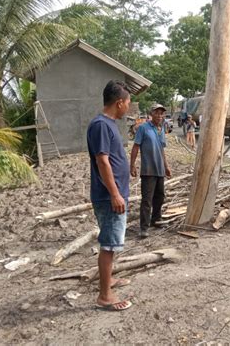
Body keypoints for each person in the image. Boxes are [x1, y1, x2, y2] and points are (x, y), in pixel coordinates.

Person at [86, 80, 132, 311]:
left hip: (115, 194)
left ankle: (109, 279)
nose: (129, 108)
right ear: (119, 102)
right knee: (109, 244)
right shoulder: (101, 125)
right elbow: (102, 161)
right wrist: (115, 194)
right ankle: (105, 295)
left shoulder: (109, 124)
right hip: (108, 196)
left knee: (113, 243)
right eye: (128, 103)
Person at [130, 103, 172, 238]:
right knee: (147, 200)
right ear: (151, 114)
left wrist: (166, 167)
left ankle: (156, 219)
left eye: (162, 113)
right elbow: (136, 147)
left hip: (160, 170)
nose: (159, 115)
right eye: (157, 113)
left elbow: (162, 150)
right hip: (148, 170)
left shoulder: (161, 129)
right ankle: (144, 227)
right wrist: (132, 165)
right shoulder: (143, 128)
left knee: (160, 197)